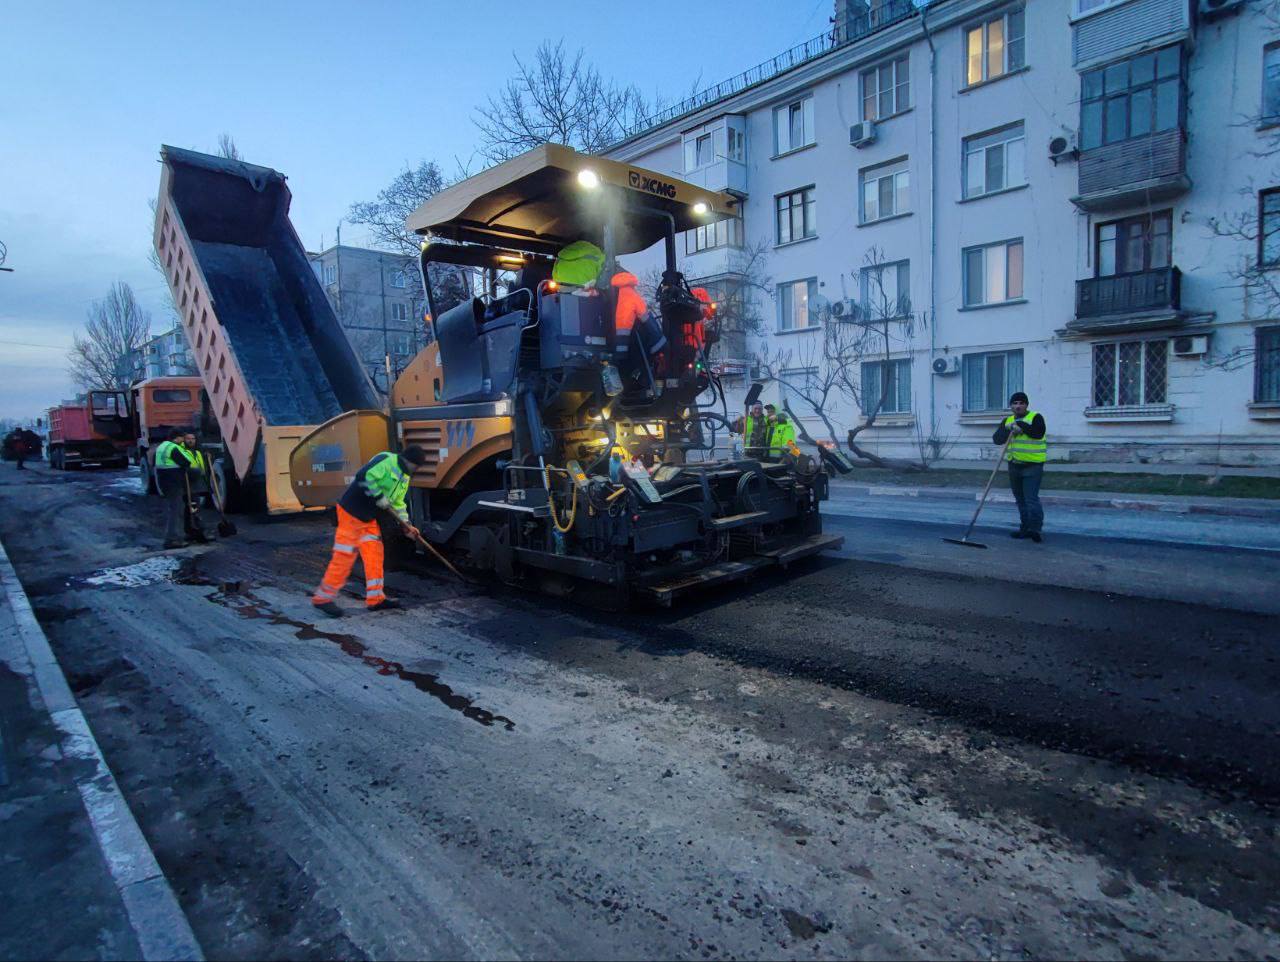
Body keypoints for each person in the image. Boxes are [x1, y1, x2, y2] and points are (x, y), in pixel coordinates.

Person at [312, 446, 428, 617]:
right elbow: (364, 476)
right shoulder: (386, 460)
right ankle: (322, 599)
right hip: (351, 513)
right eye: (415, 467)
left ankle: (376, 599)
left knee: (375, 554)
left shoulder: (404, 477)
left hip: (368, 518)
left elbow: (398, 504)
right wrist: (379, 497)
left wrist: (407, 526)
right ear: (409, 461)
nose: (415, 470)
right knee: (344, 556)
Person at [992, 392, 1047, 542]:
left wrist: (1021, 426)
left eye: (1021, 403)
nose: (1018, 406)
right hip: (1014, 465)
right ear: (1011, 406)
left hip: (1033, 466)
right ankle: (1025, 528)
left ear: (1026, 405)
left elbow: (1038, 433)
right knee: (1020, 499)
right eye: (1015, 403)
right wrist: (1007, 429)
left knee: (1031, 499)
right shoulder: (1007, 420)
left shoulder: (1035, 417)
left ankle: (1035, 530)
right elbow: (997, 440)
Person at [153, 429, 196, 548]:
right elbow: (186, 462)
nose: (183, 440)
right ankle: (172, 539)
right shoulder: (173, 448)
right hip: (173, 483)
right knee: (176, 511)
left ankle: (174, 537)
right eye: (182, 438)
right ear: (177, 438)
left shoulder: (161, 446)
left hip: (164, 482)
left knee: (174, 509)